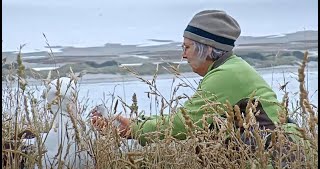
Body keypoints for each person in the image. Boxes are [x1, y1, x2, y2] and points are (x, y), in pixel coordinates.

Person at [90, 10, 300, 147]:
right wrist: (137, 122)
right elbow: (189, 118)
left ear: (207, 48)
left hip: (282, 158)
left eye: (187, 47)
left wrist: (132, 129)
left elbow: (183, 124)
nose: (183, 55)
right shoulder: (230, 68)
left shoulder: (227, 75)